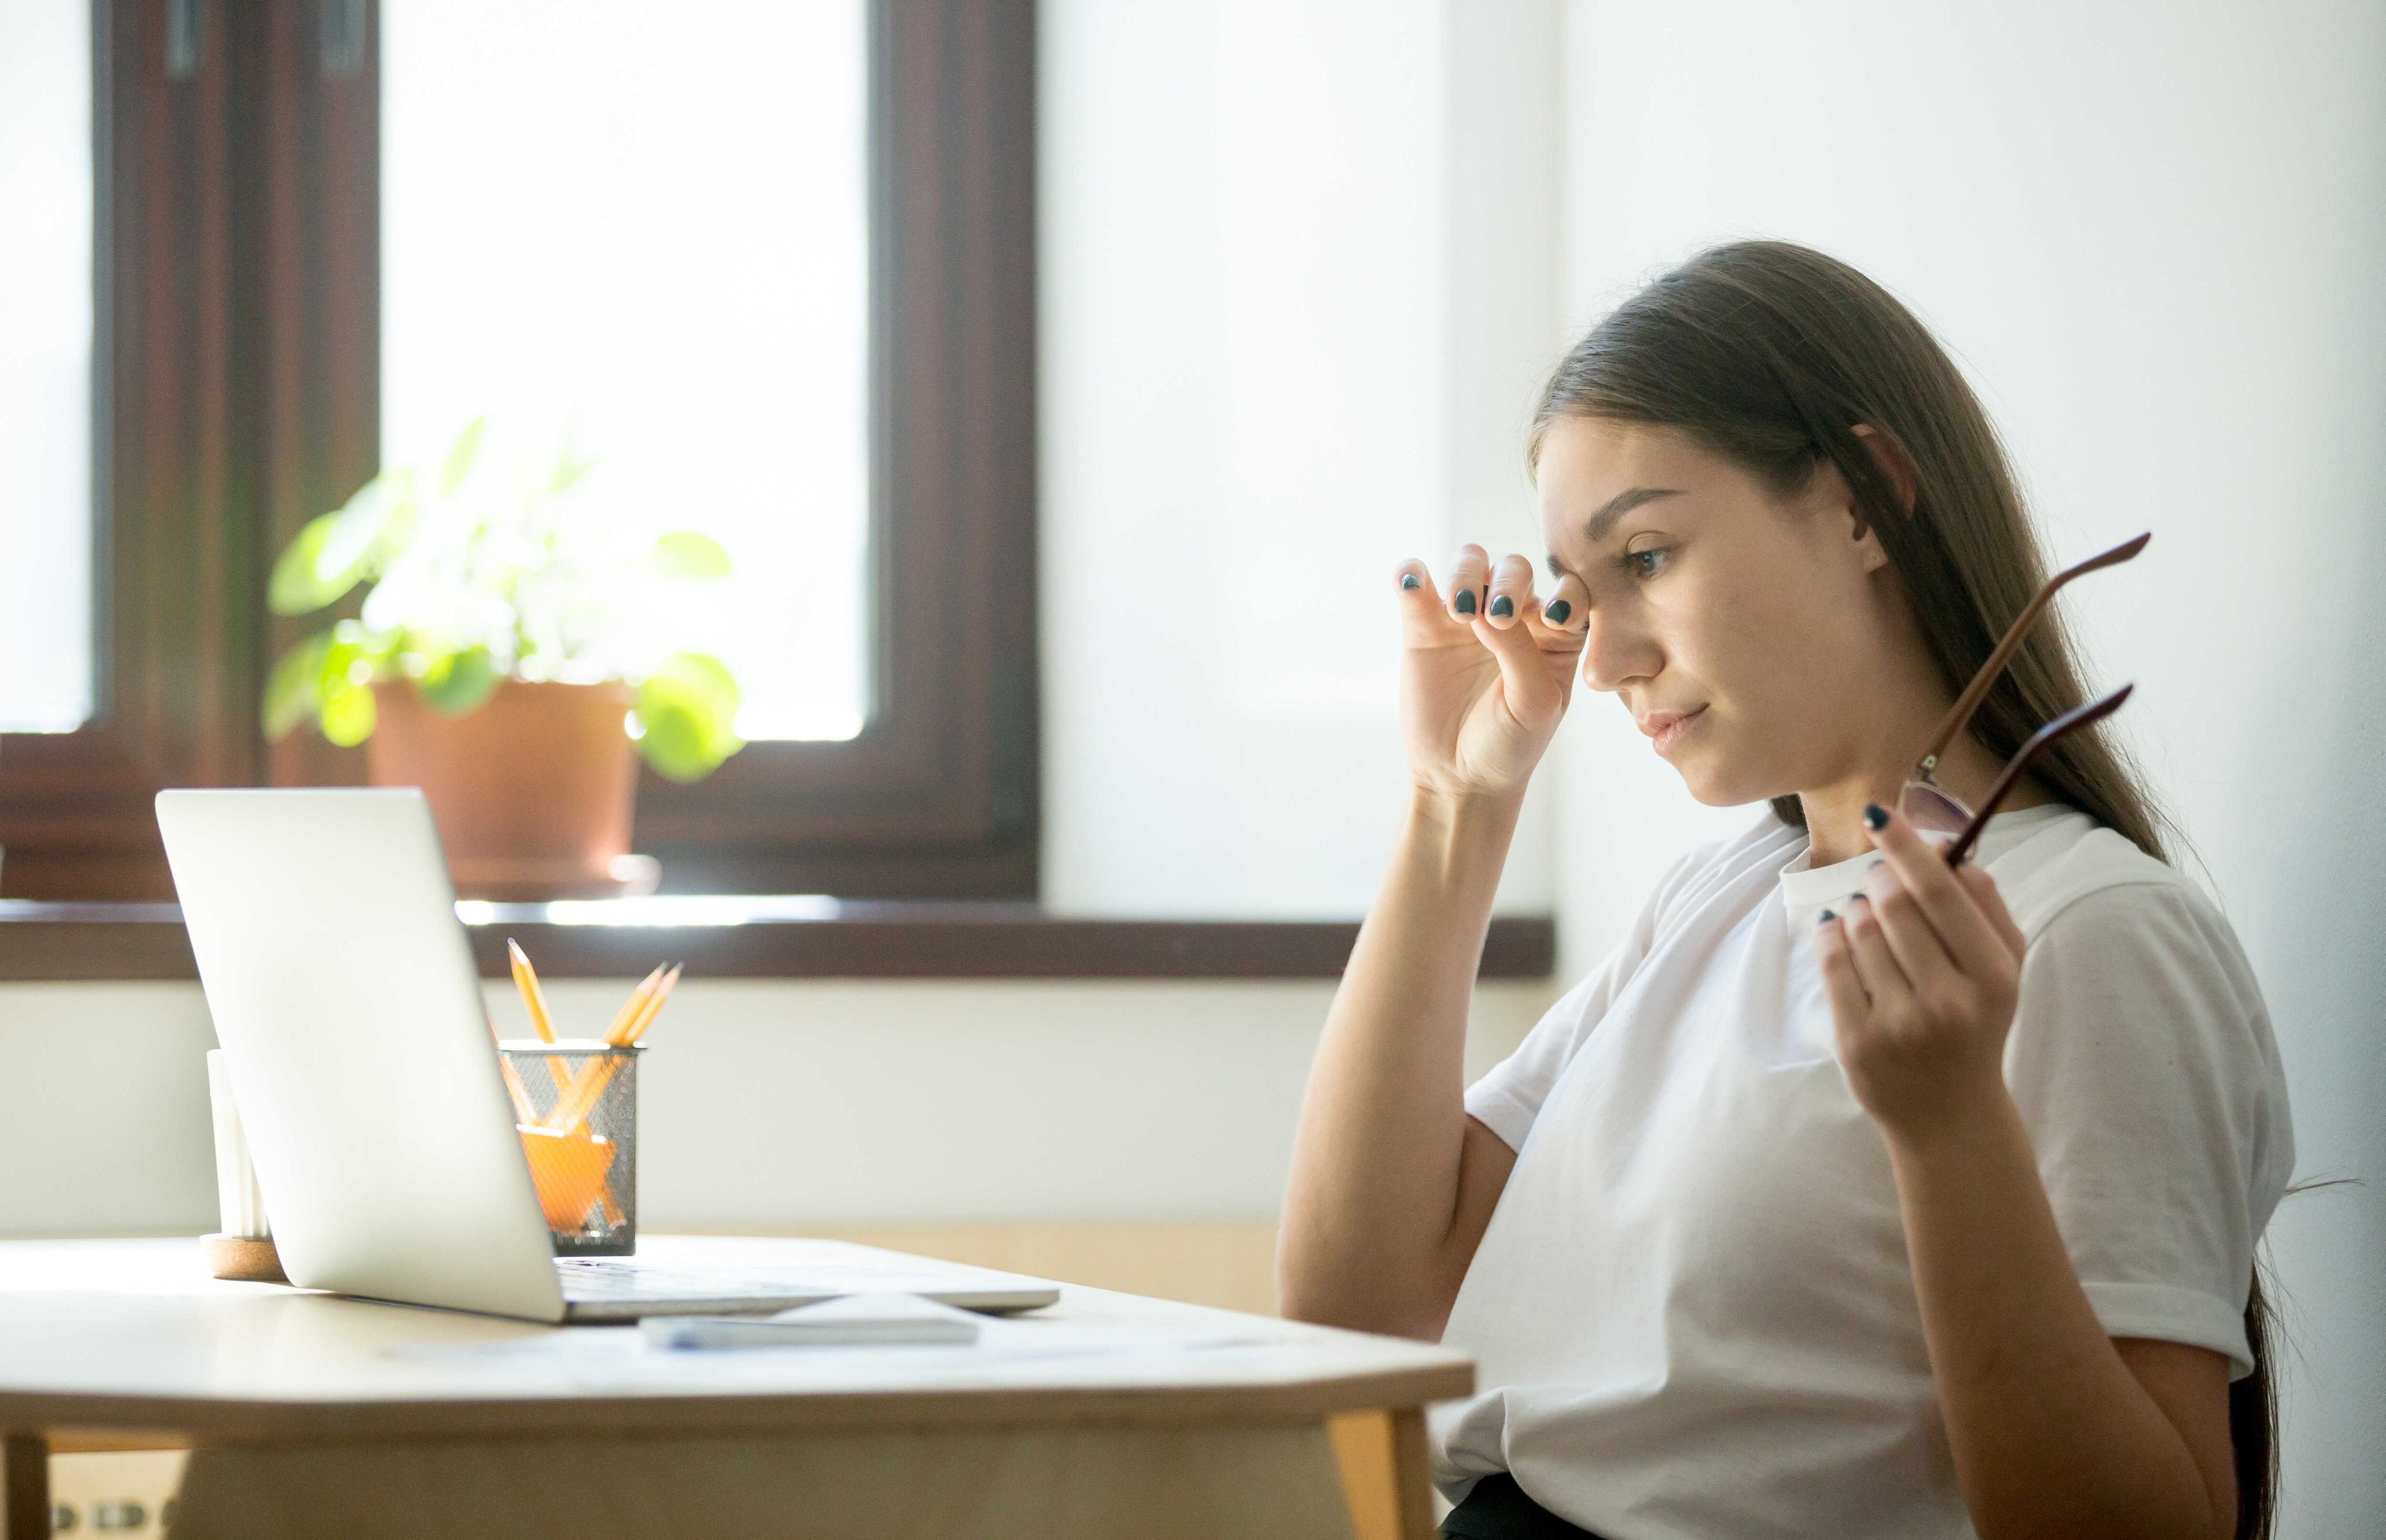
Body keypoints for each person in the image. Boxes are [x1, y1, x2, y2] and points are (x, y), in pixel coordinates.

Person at [1276, 241, 2293, 1540]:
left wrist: (1948, 1128)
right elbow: (1358, 1310)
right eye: (1580, 594)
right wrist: (1454, 804)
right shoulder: (1719, 898)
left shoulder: (2090, 934)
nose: (1606, 660)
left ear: (1868, 500)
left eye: (1647, 556)